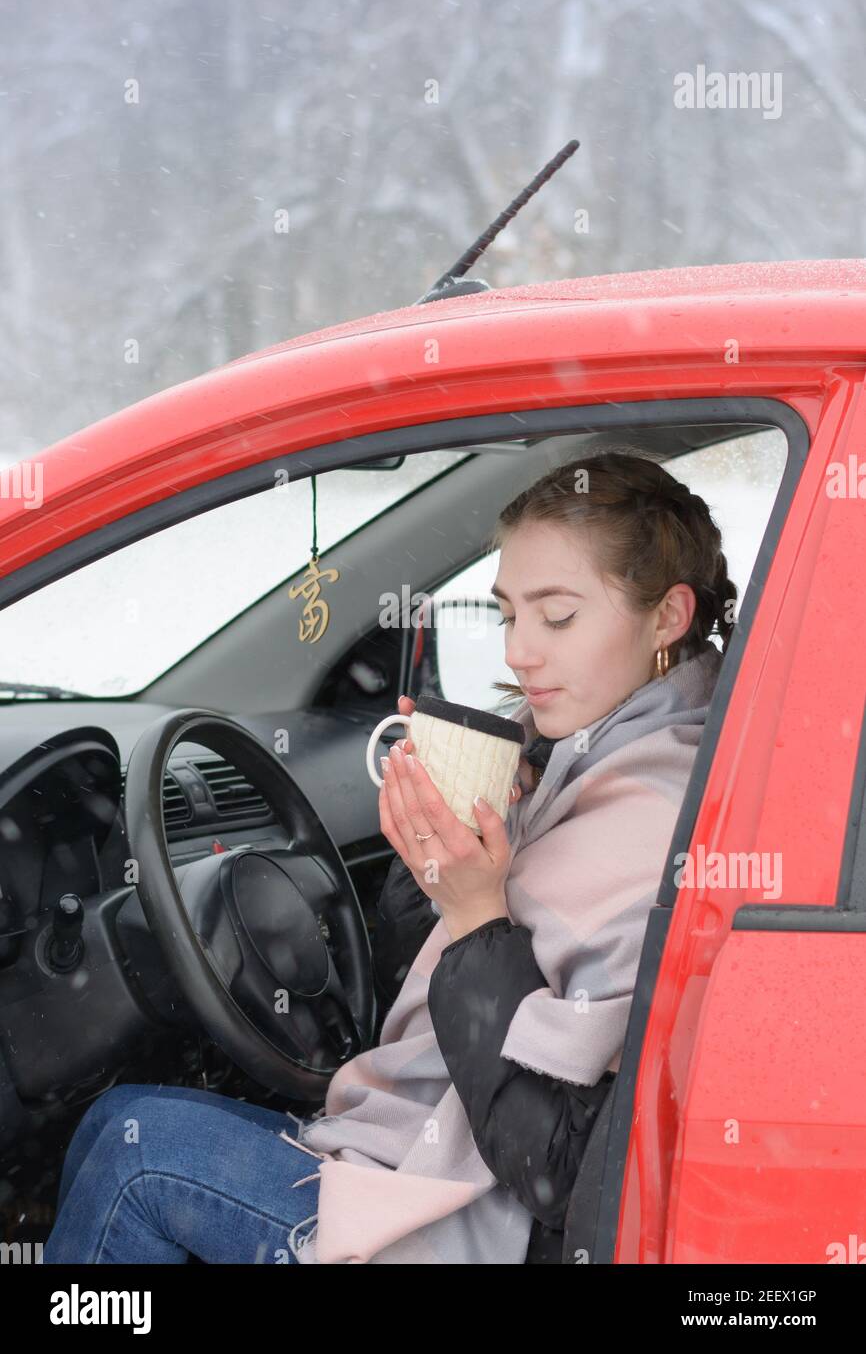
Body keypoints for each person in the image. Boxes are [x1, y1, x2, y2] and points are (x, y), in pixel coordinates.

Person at [43, 449, 735, 1264]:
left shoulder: (652, 812)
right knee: (106, 1123)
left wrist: (479, 912)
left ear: (668, 615)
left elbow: (557, 1169)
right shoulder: (587, 763)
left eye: (557, 616)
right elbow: (435, 975)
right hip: (427, 1154)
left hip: (476, 1221)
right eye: (507, 614)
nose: (518, 652)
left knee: (134, 1159)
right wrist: (449, 856)